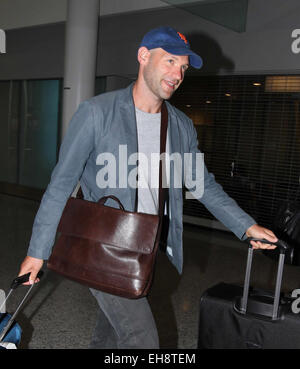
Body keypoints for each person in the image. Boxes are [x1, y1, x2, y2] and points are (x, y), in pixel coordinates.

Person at [18, 26, 277, 349]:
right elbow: (60, 185)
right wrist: (37, 252)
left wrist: (247, 226)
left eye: (182, 67)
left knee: (110, 335)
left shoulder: (180, 125)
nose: (177, 73)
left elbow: (202, 185)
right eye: (169, 61)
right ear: (143, 57)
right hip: (106, 249)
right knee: (144, 341)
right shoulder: (98, 113)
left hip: (151, 251)